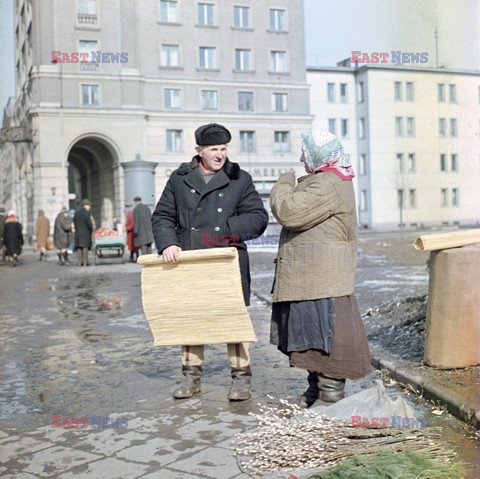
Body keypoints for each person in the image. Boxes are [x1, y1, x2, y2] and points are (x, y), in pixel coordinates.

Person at [152, 123, 269, 401]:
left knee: (234, 321)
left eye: (224, 148)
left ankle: (241, 379)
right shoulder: (179, 179)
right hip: (191, 261)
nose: (220, 155)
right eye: (214, 149)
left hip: (226, 260)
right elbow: (162, 217)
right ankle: (191, 378)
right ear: (199, 151)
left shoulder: (240, 178)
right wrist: (168, 242)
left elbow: (258, 219)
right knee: (191, 320)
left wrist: (224, 230)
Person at [269, 130, 371, 408]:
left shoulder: (328, 183)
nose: (302, 157)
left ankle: (330, 397)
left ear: (317, 154)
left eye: (305, 151)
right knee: (312, 338)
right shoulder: (327, 179)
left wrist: (284, 182)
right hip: (313, 279)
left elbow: (289, 211)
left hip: (322, 279)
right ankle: (315, 392)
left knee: (327, 340)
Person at [74, 199, 93, 266]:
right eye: (89, 206)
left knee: (79, 247)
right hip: (85, 233)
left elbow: (75, 223)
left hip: (78, 232)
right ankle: (85, 262)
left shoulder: (77, 213)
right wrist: (91, 230)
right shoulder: (87, 213)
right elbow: (89, 224)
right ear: (85, 205)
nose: (89, 207)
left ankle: (80, 262)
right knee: (85, 247)